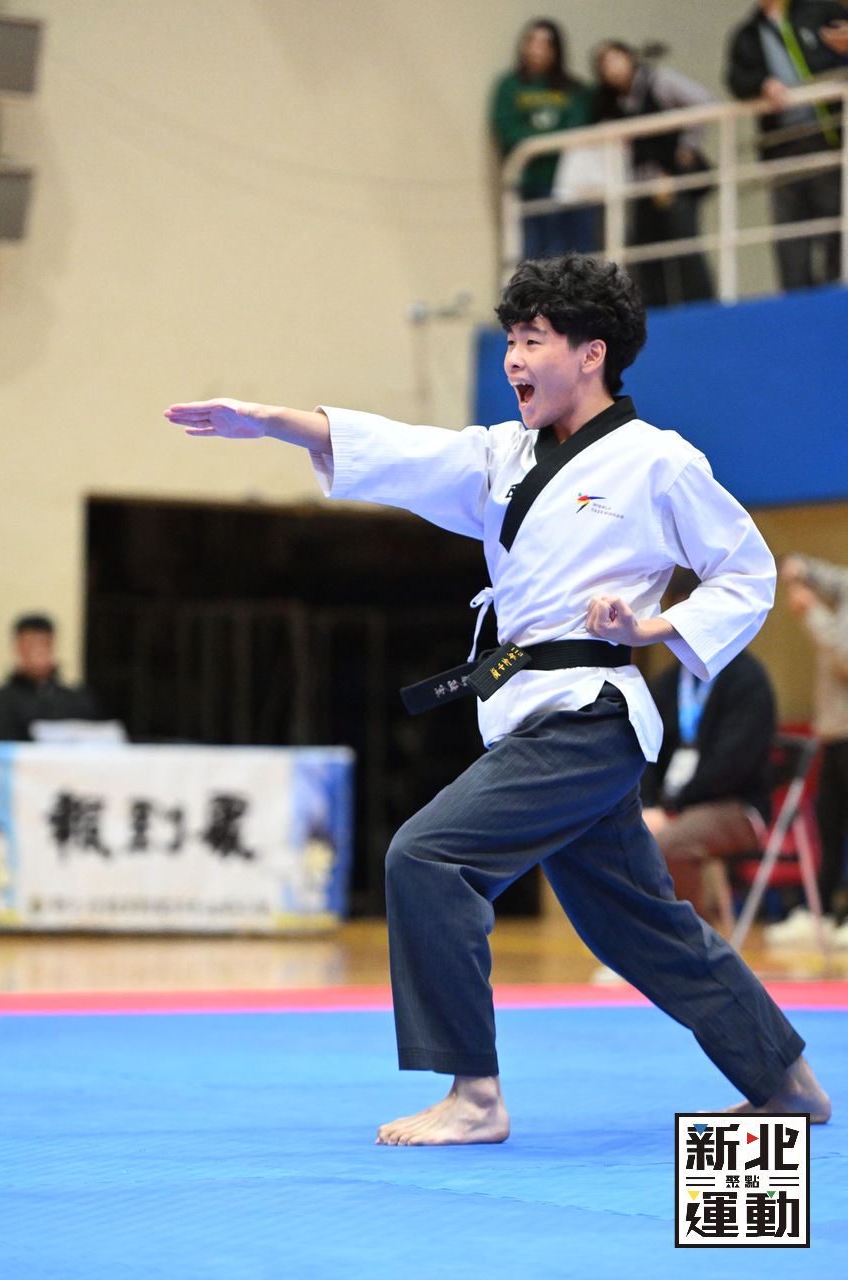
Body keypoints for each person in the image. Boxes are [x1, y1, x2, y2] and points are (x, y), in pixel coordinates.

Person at [166, 253, 830, 1144]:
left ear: (591, 354)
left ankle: (474, 1095)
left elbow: (744, 572)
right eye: (510, 340)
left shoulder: (657, 461)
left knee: (427, 857)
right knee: (638, 926)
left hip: (589, 714)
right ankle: (786, 1080)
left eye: (532, 340)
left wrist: (653, 625)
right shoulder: (502, 457)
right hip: (526, 711)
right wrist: (273, 423)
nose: (513, 359)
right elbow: (397, 451)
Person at [639, 567, 776, 926]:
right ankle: (644, 941)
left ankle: (693, 940)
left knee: (669, 845)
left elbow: (734, 765)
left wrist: (673, 807)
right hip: (671, 806)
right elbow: (644, 754)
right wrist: (649, 805)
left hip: (735, 807)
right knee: (617, 840)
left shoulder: (747, 679)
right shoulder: (665, 684)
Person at [726, 1, 848, 291]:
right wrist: (762, 84)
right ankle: (797, 298)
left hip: (826, 135)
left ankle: (836, 288)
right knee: (789, 230)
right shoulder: (747, 33)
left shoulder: (818, 9)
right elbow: (735, 79)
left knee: (835, 221)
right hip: (781, 144)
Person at [593, 40, 715, 308]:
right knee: (647, 255)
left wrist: (687, 147)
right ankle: (655, 315)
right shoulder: (610, 103)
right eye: (604, 65)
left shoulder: (659, 81)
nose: (612, 68)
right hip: (642, 186)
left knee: (684, 247)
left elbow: (704, 101)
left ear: (629, 57)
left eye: (615, 59)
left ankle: (702, 309)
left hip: (675, 176)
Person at [768, 554, 848, 945]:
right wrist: (803, 569)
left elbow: (845, 660)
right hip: (835, 734)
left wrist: (811, 611)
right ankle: (823, 914)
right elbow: (838, 580)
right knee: (829, 828)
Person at [490, 18, 596, 258]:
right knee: (536, 258)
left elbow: (577, 131)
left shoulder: (574, 89)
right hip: (530, 183)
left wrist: (541, 140)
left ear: (556, 50)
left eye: (546, 43)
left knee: (576, 257)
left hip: (571, 184)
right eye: (532, 41)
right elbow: (509, 133)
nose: (537, 49)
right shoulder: (509, 86)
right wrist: (550, 140)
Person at [0, 614, 101, 741]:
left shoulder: (77, 700)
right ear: (18, 648)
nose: (38, 653)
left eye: (44, 644)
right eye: (31, 646)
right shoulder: (0, 701)